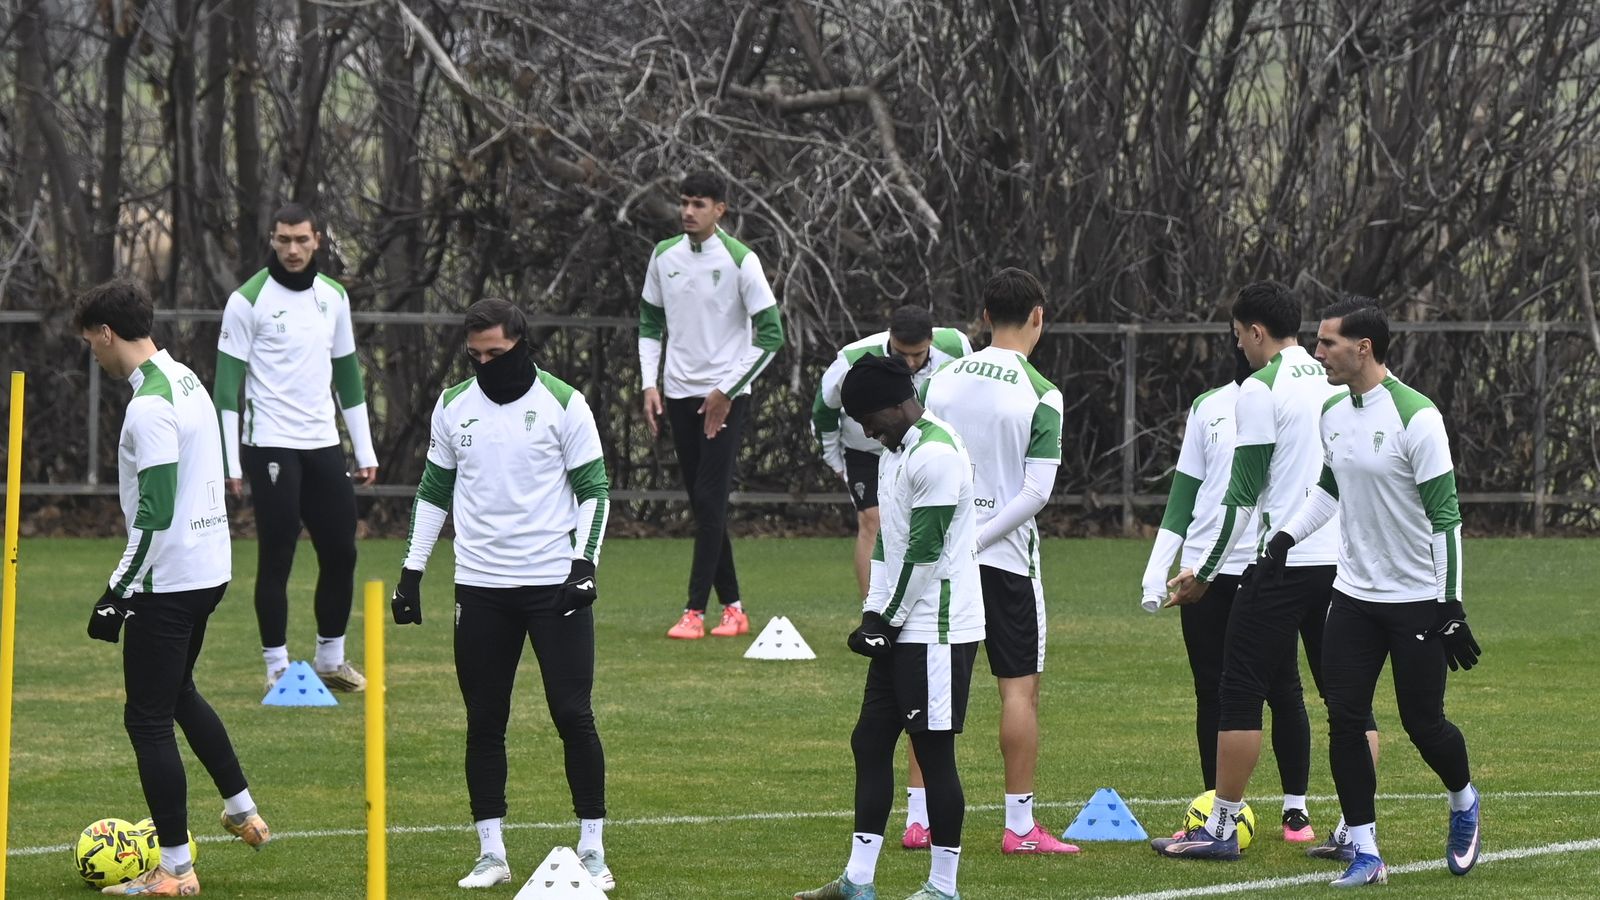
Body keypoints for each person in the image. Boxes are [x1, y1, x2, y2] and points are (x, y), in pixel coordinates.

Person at [1256, 298, 1482, 887]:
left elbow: (1446, 519)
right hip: (1352, 597)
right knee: (1346, 718)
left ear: (1364, 349)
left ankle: (1463, 802)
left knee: (1423, 723)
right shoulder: (1333, 411)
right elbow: (1328, 491)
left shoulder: (1417, 417)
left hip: (1414, 601)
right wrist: (1284, 537)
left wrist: (1450, 603)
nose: (1317, 351)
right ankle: (1366, 851)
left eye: (1327, 343)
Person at [392, 299, 614, 892]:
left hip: (553, 585)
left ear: (522, 344)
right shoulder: (453, 406)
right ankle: (491, 852)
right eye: (476, 355)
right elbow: (433, 492)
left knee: (573, 713)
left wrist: (584, 564)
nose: (486, 364)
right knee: (485, 719)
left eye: (498, 353)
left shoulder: (564, 404)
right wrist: (412, 573)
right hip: (480, 586)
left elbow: (594, 488)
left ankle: (592, 846)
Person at [1157, 280, 1372, 860]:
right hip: (1342, 565)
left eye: (1239, 337)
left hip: (1281, 562)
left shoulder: (1259, 388)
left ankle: (1221, 827)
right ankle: (1357, 830)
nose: (1240, 349)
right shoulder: (1334, 380)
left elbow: (1241, 496)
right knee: (1346, 700)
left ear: (1255, 332)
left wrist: (1202, 571)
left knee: (1239, 689)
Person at [75, 278, 271, 897]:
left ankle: (176, 870)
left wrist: (117, 591)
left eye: (92, 344)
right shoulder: (185, 377)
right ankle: (242, 809)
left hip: (170, 581)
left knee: (147, 719)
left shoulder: (151, 405)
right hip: (208, 570)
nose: (94, 356)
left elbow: (154, 512)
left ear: (108, 333)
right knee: (179, 692)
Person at [793, 354, 984, 900]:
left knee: (933, 751)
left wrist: (890, 621)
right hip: (903, 625)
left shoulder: (938, 453)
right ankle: (858, 880)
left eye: (868, 419)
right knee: (870, 740)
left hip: (940, 628)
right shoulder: (893, 452)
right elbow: (886, 546)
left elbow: (925, 553)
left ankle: (943, 887)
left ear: (897, 404)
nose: (867, 431)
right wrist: (873, 615)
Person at [918, 267, 1077, 855]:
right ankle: (1018, 828)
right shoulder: (1042, 393)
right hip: (1005, 558)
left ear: (984, 317)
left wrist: (956, 538)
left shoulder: (942, 381)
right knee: (1018, 691)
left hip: (944, 557)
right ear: (1038, 316)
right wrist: (982, 537)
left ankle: (919, 818)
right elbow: (1036, 494)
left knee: (934, 690)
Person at [1138, 344, 1322, 841]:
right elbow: (1184, 492)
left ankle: (1296, 809)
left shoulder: (1296, 398)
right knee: (1211, 690)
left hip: (1260, 566)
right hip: (1203, 568)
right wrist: (1159, 568)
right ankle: (1214, 807)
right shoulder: (1208, 406)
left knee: (1282, 687)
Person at [214, 203, 377, 692]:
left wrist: (364, 450)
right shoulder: (248, 300)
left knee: (341, 553)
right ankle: (277, 666)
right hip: (269, 447)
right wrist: (230, 461)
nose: (292, 249)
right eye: (283, 240)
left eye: (301, 240)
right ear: (272, 239)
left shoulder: (333, 297)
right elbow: (227, 387)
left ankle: (331, 659)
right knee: (278, 553)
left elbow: (348, 376)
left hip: (323, 444)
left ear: (317, 241)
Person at [638, 171, 786, 640]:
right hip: (678, 393)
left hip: (725, 397)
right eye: (683, 202)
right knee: (704, 503)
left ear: (720, 209)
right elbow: (649, 323)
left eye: (698, 203)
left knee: (709, 498)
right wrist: (649, 384)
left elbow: (771, 335)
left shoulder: (741, 260)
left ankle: (694, 612)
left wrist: (726, 390)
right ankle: (735, 609)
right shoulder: (664, 256)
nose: (687, 211)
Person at [813, 306, 971, 597]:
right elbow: (824, 407)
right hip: (867, 452)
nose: (910, 363)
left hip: (924, 449)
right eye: (901, 354)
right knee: (873, 522)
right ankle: (872, 612)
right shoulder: (852, 358)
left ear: (931, 342)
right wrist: (833, 457)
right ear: (890, 338)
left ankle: (925, 598)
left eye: (918, 355)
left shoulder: (957, 345)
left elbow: (968, 391)